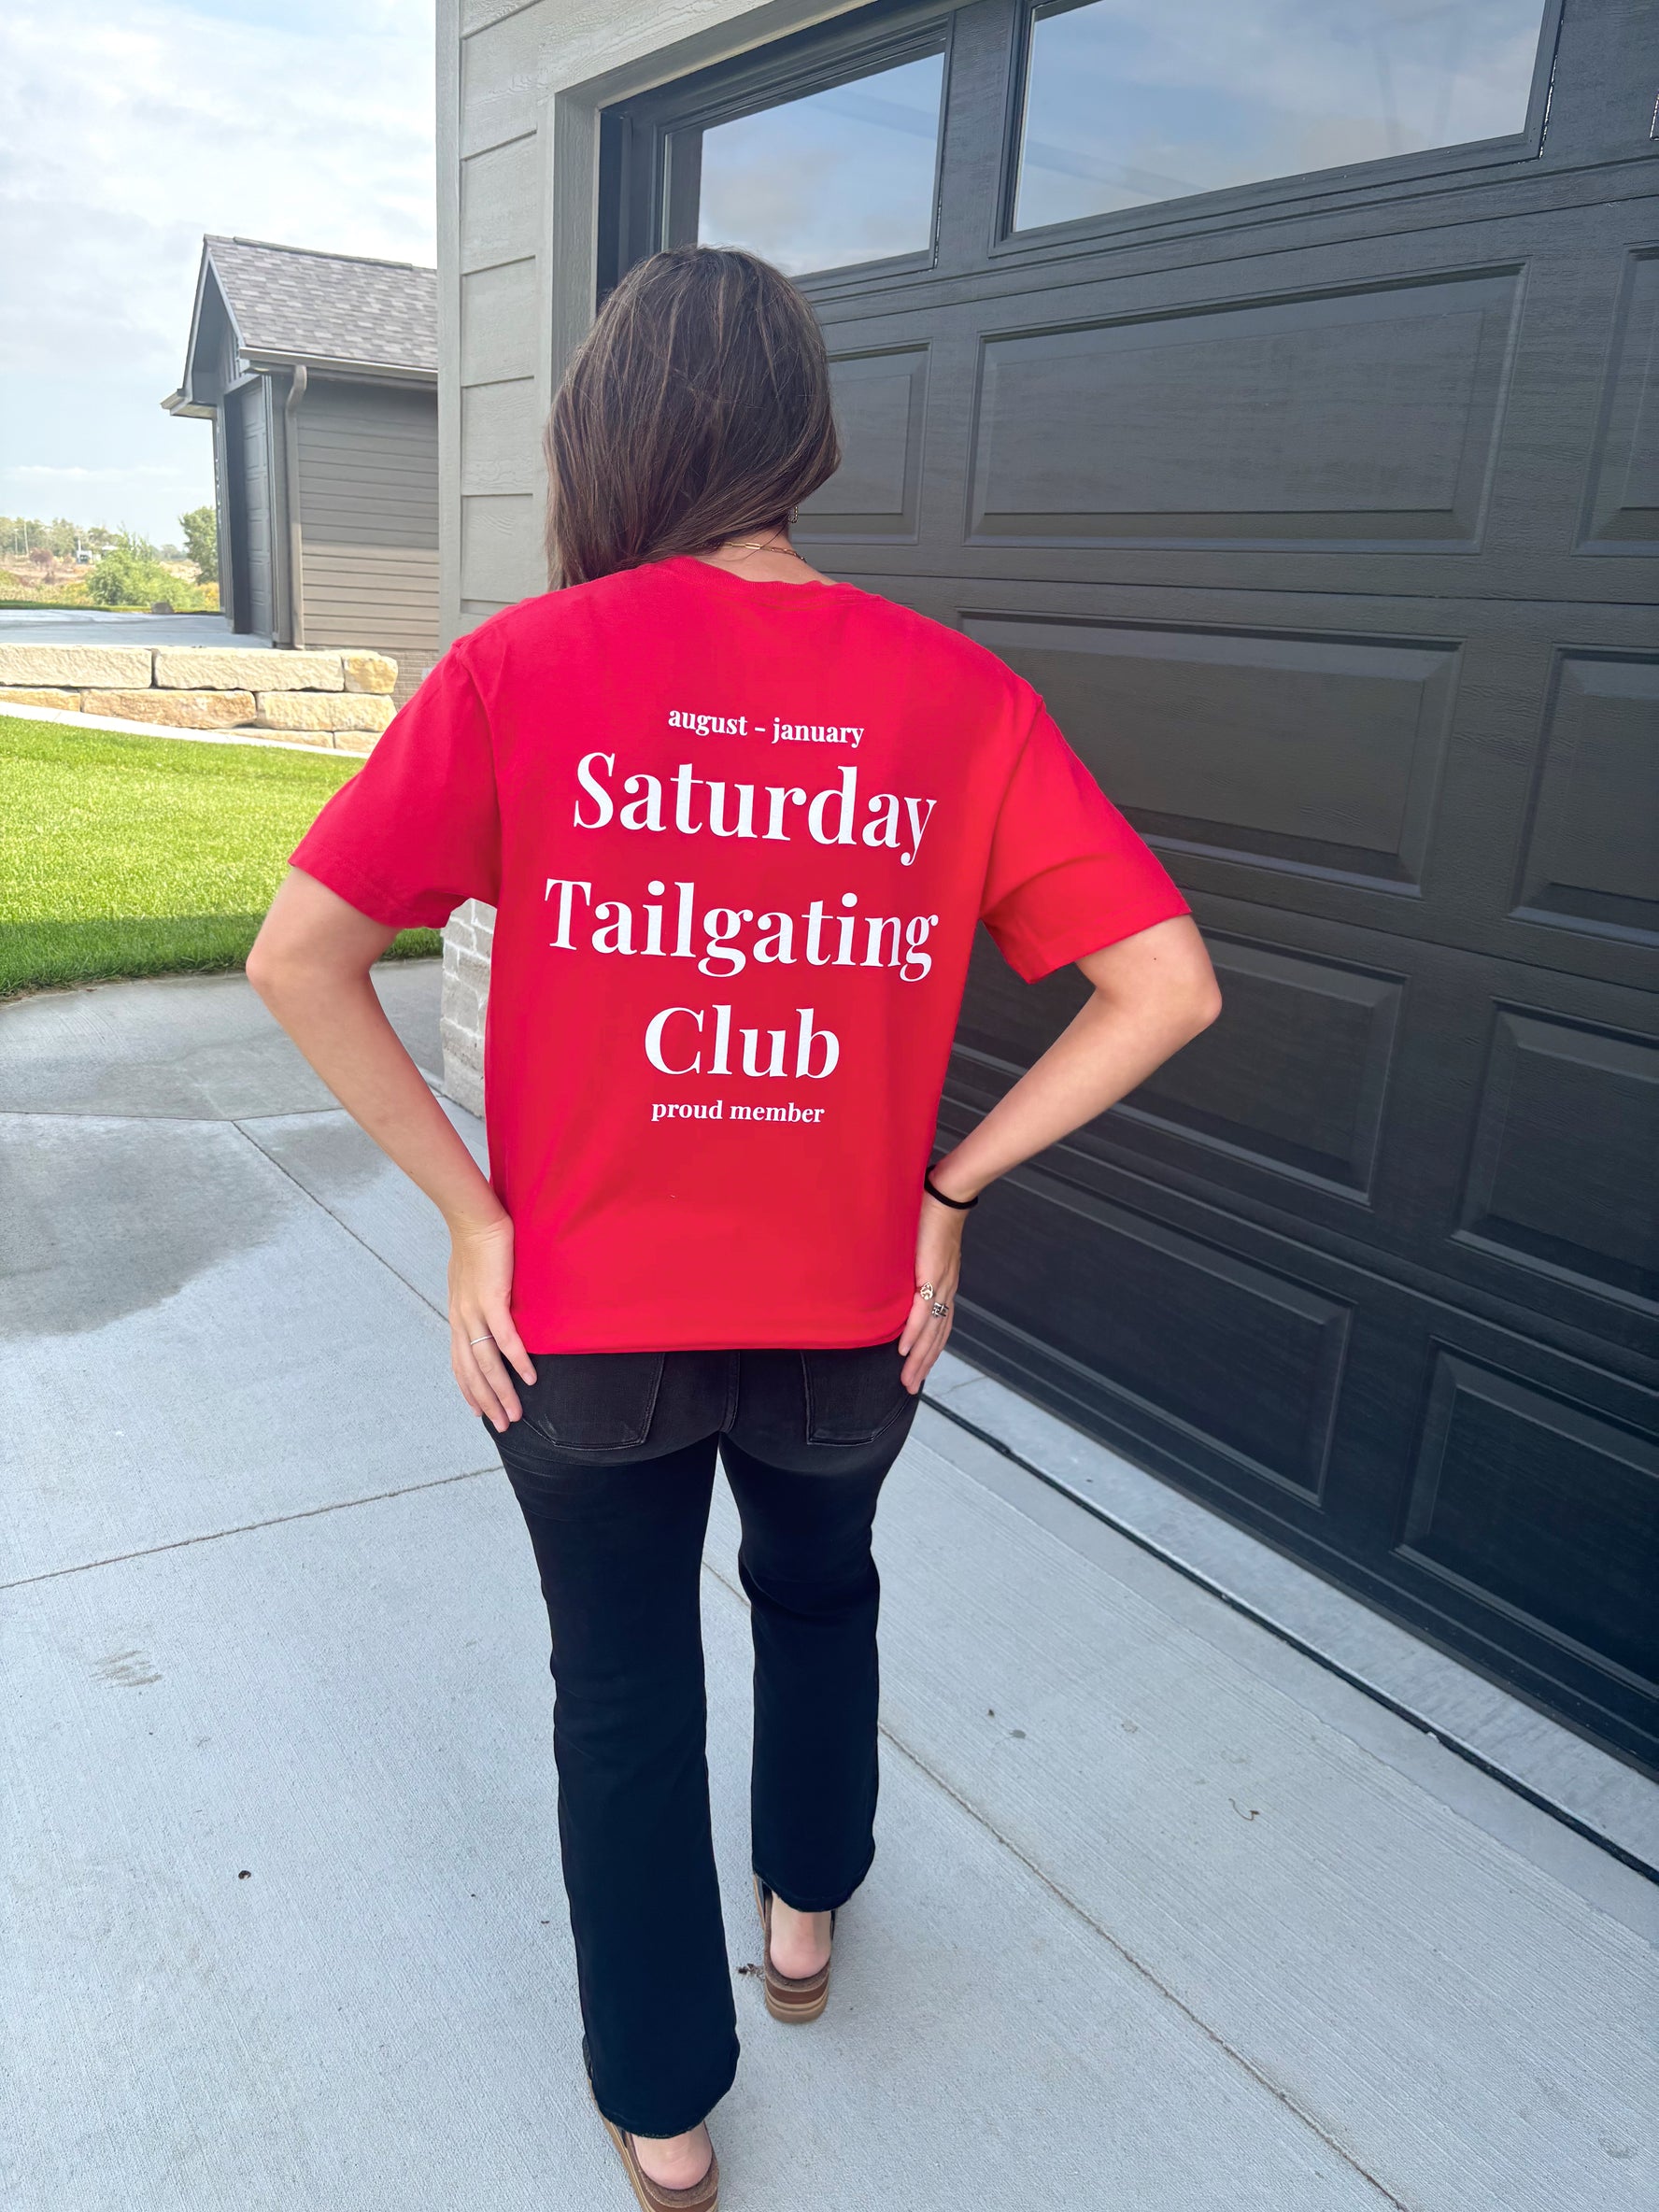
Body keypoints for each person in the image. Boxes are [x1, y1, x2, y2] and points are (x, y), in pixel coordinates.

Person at [247, 244, 1220, 2210]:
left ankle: (669, 2113)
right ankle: (804, 1919)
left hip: (581, 1327)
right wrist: (949, 1187)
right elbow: (1166, 982)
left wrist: (467, 1213)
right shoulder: (958, 696)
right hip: (850, 1322)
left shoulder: (528, 668)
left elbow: (301, 954)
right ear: (808, 438)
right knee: (819, 1591)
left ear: (602, 432)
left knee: (619, 1683)